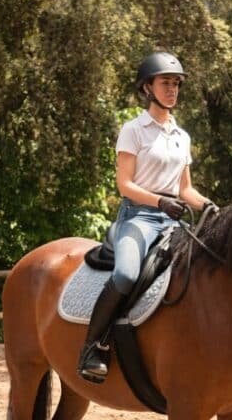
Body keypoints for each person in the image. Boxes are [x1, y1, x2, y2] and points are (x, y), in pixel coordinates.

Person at [77, 51, 218, 383]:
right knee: (126, 274)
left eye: (176, 84)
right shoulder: (133, 130)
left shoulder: (181, 136)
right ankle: (92, 347)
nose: (172, 89)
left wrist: (206, 204)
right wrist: (158, 201)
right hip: (138, 218)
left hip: (173, 221)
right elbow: (124, 185)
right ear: (147, 88)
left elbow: (186, 189)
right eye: (165, 83)